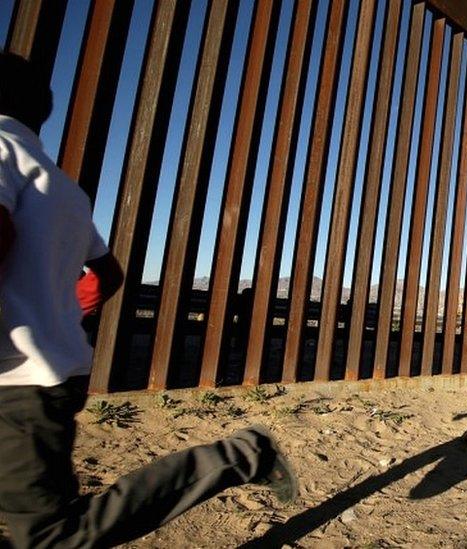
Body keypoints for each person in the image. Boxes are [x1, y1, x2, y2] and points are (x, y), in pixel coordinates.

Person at [0, 51, 297, 548]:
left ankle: (243, 456)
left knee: (51, 535)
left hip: (17, 381)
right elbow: (106, 272)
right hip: (46, 376)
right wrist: (61, 318)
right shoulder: (63, 188)